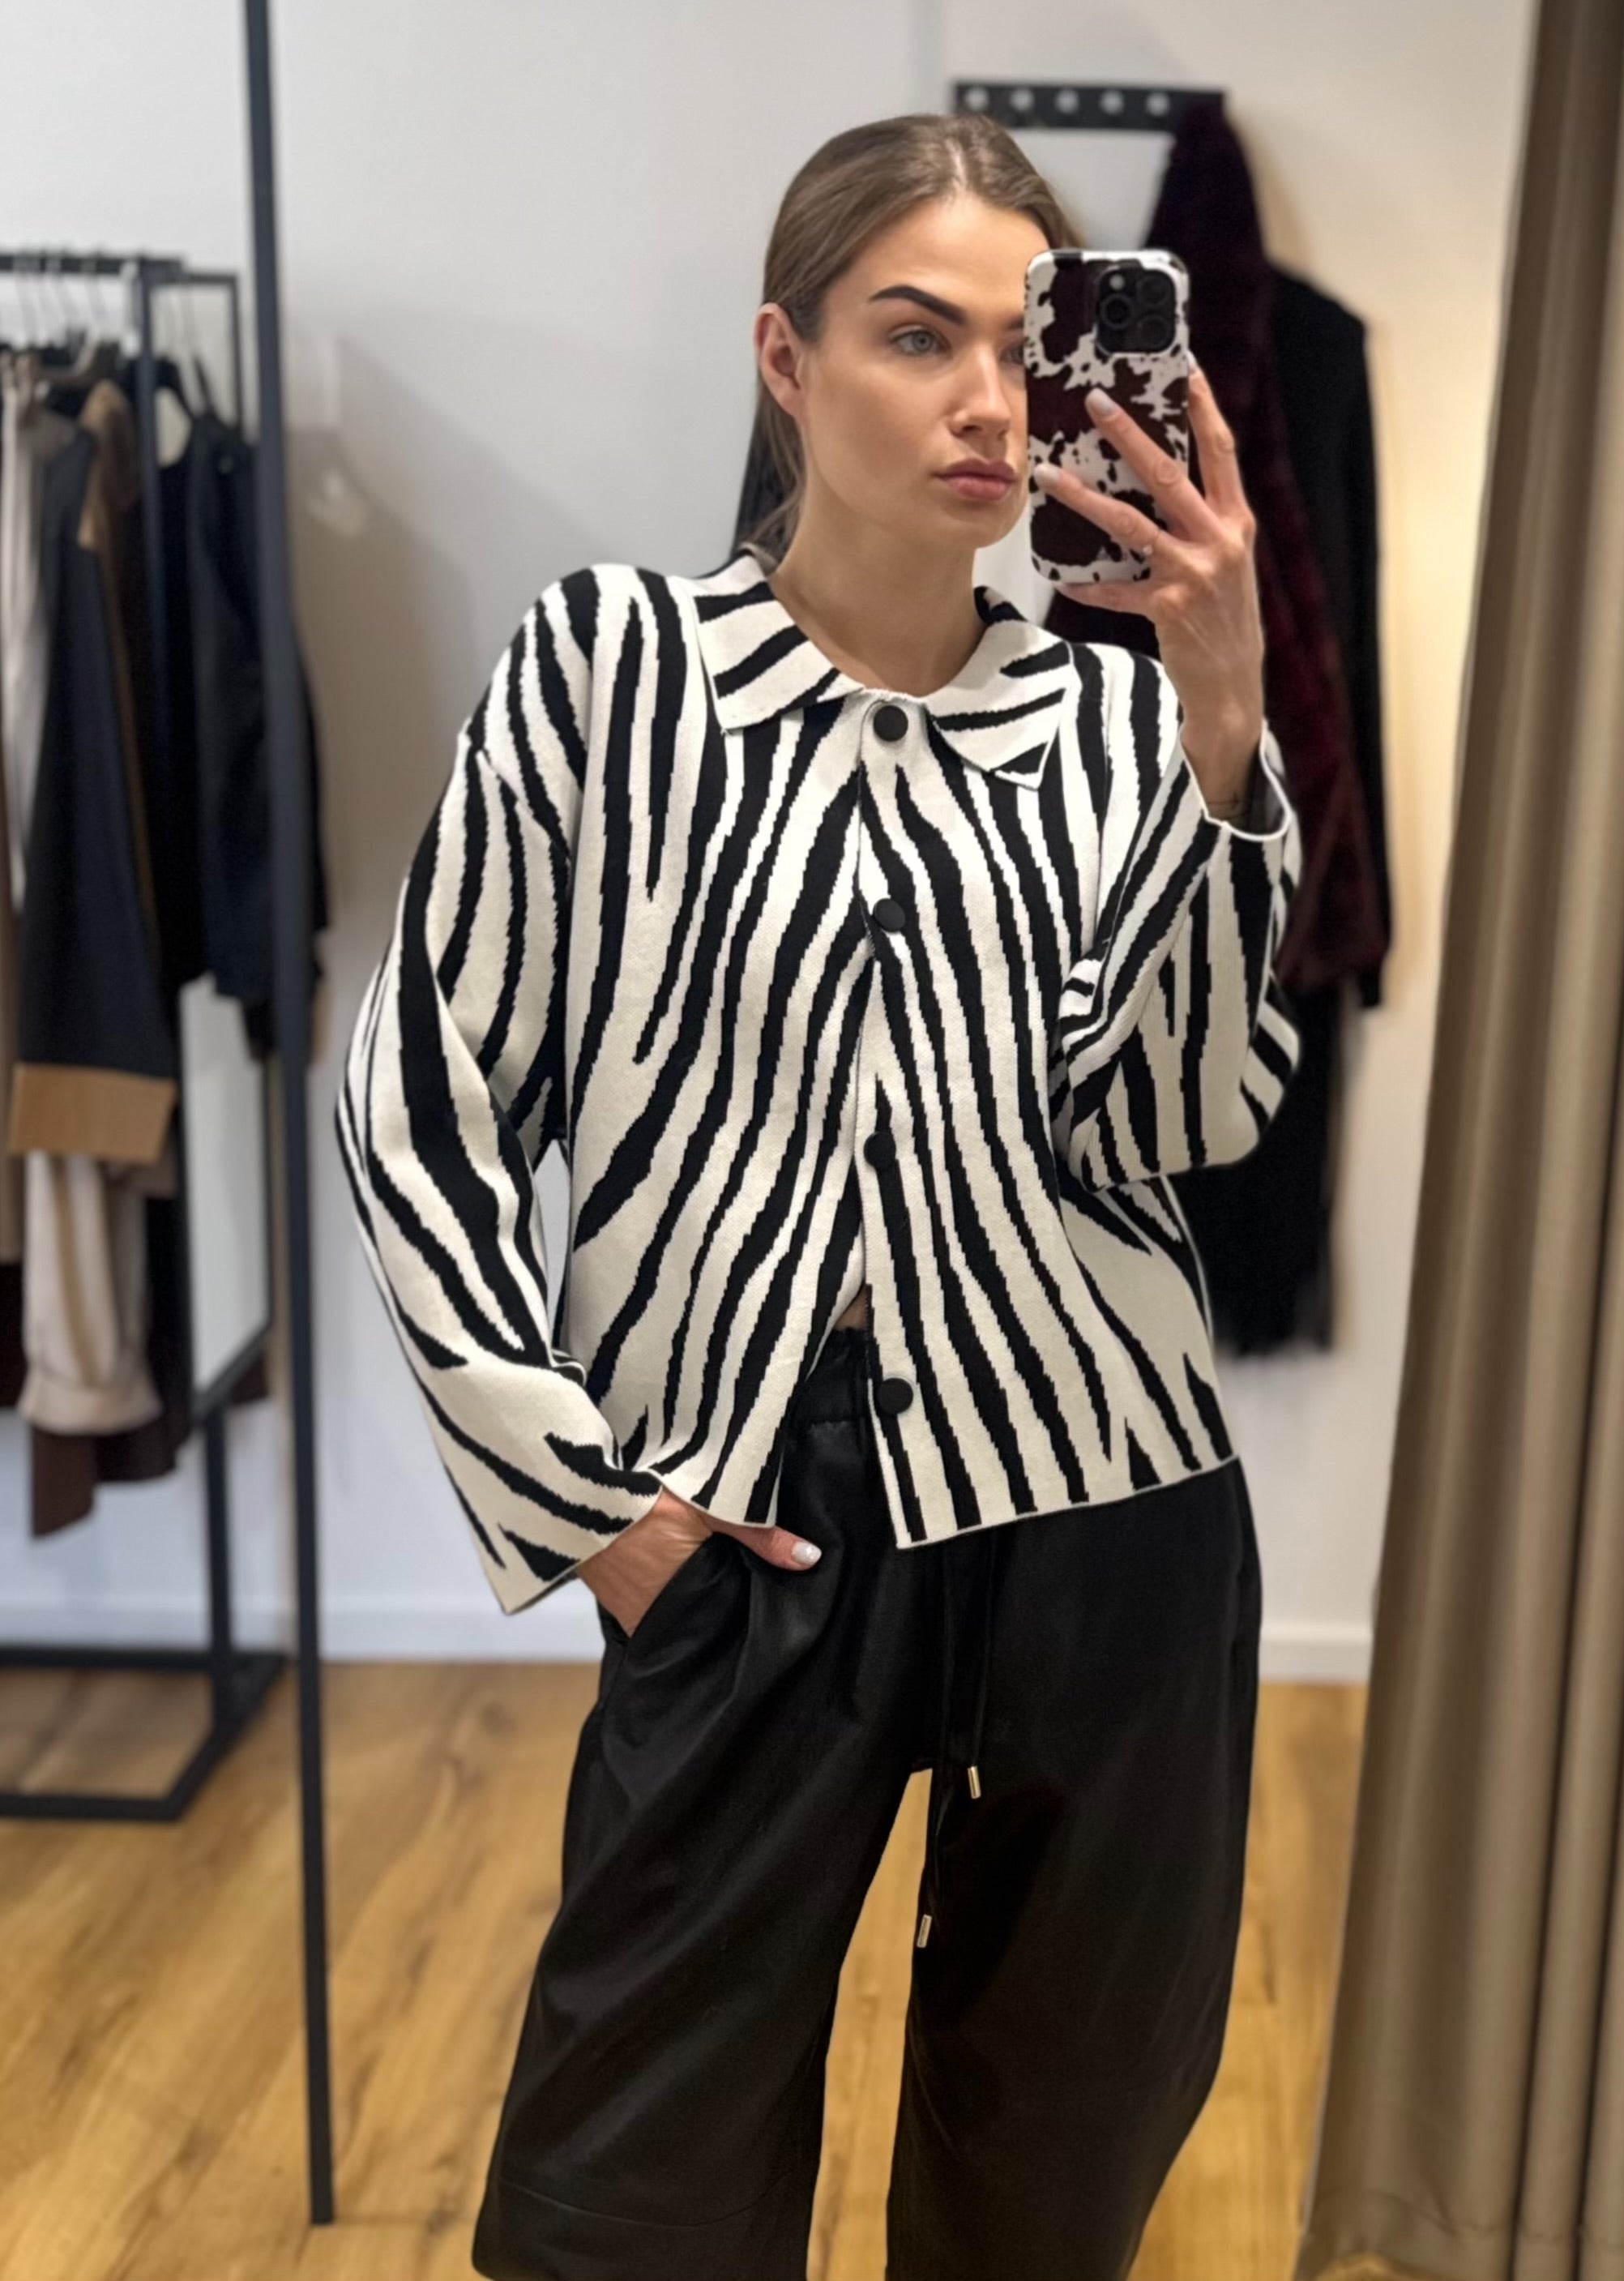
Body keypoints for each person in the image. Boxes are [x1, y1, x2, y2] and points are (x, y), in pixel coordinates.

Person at [336, 108, 1301, 2281]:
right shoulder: (609, 674)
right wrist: (590, 1508)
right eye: (914, 335)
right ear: (786, 360)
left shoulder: (1121, 726)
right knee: (627, 2199)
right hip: (743, 1514)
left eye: (1021, 346)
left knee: (1050, 2174)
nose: (986, 404)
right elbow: (420, 1101)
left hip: (1108, 1512)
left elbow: (1193, 1112)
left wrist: (1223, 722)